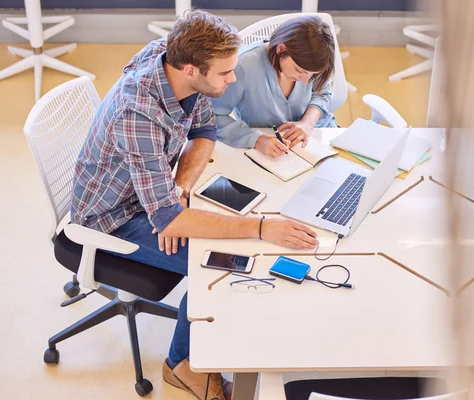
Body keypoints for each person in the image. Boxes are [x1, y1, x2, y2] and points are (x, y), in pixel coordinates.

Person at [71, 10, 318, 400]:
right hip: (113, 217)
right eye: (224, 74)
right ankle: (181, 366)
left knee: (241, 220)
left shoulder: (170, 60)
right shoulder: (138, 114)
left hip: (154, 190)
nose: (233, 79)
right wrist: (258, 228)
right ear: (191, 69)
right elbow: (169, 219)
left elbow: (205, 130)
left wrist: (180, 188)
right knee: (220, 262)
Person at [212, 16, 336, 158]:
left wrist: (308, 122)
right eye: (299, 71)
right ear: (281, 49)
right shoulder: (243, 67)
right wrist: (256, 139)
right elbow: (213, 116)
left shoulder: (313, 61)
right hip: (271, 150)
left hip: (321, 135)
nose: (306, 81)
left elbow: (322, 93)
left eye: (312, 75)